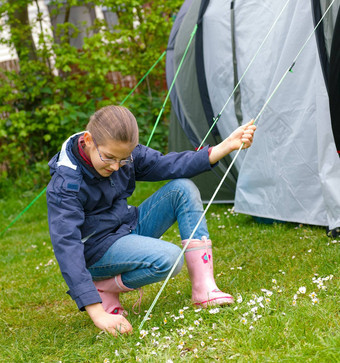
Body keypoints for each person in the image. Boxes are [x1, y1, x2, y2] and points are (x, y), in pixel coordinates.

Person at [46, 105, 256, 336]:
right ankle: (102, 287)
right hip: (96, 252)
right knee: (169, 259)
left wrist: (225, 146)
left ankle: (204, 289)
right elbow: (67, 247)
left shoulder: (121, 152)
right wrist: (97, 312)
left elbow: (169, 165)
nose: (116, 166)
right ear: (88, 140)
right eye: (109, 158)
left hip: (125, 228)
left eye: (124, 160)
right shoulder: (66, 185)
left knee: (182, 188)